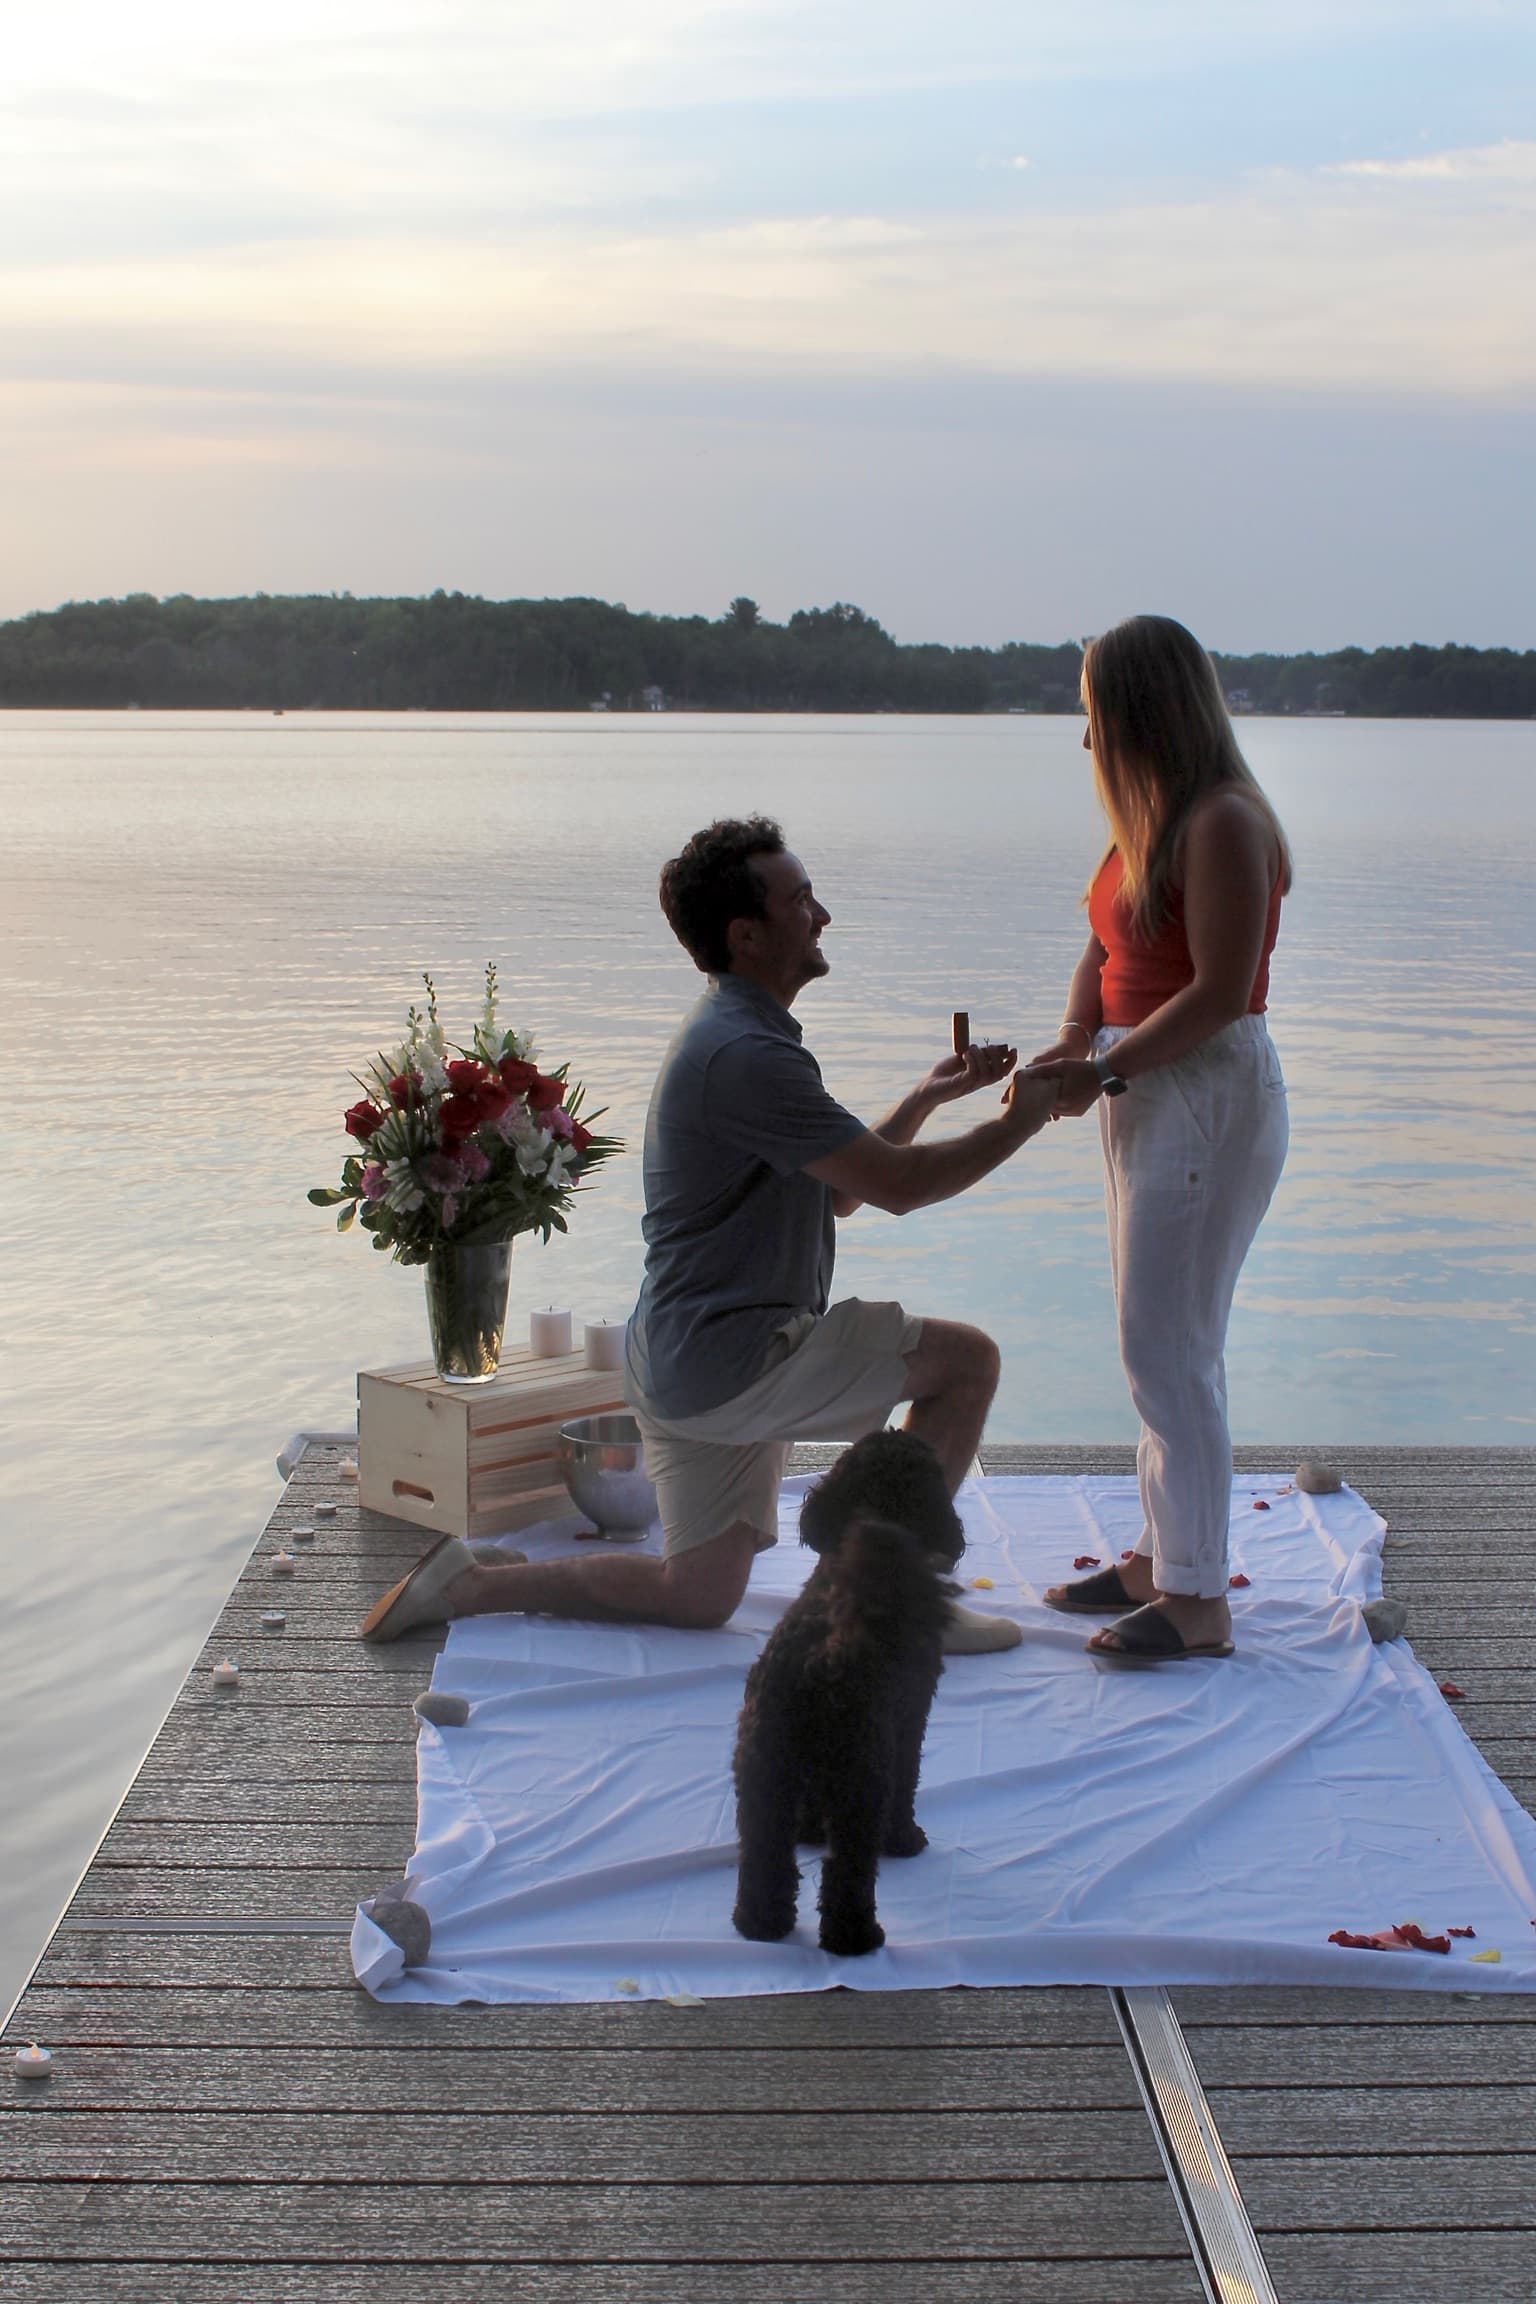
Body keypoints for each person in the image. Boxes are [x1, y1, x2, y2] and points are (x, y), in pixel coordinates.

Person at [362, 815, 1059, 1652]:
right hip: (739, 1362)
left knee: (695, 1595)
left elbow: (836, 1198)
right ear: (748, 932)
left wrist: (924, 1099)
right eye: (803, 899)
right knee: (967, 1362)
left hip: (680, 1365)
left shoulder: (735, 1035)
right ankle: (892, 1598)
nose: (822, 914)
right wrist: (1031, 1116)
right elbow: (900, 1189)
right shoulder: (747, 1055)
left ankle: (472, 1585)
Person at [1029, 615, 1291, 1665]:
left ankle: (1197, 1601)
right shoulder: (1147, 818)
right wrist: (1069, 1043)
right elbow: (1103, 943)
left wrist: (1103, 1069)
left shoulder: (1224, 821)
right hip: (1146, 1086)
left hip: (1204, 1090)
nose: (1085, 738)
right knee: (1164, 1342)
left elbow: (1222, 994)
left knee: (1167, 1348)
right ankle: (1160, 1556)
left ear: (1140, 711)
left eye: (1092, 712)